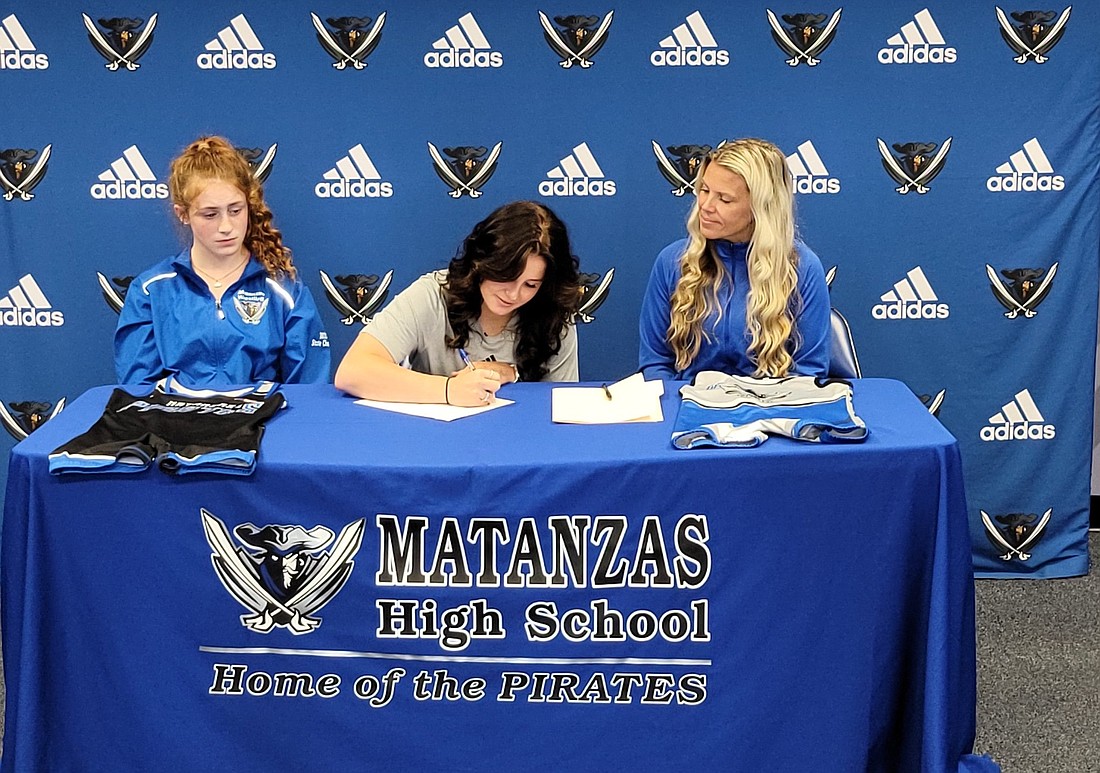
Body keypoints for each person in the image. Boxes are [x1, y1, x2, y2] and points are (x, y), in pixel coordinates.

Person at [114, 136, 330, 387]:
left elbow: (309, 391)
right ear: (183, 214)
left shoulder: (284, 289)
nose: (226, 226)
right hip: (175, 413)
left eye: (235, 210)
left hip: (263, 413)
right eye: (210, 214)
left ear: (249, 206)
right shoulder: (151, 291)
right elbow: (137, 392)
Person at [334, 200, 582, 406]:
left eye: (531, 285)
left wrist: (512, 372)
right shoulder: (434, 294)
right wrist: (449, 390)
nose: (513, 294)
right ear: (482, 261)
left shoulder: (554, 313)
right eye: (506, 276)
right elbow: (353, 371)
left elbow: (563, 407)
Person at [639, 138, 830, 381]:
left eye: (725, 199)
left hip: (773, 403)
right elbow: (656, 364)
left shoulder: (803, 268)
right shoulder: (673, 261)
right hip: (687, 401)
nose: (706, 206)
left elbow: (809, 372)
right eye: (704, 190)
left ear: (761, 207)